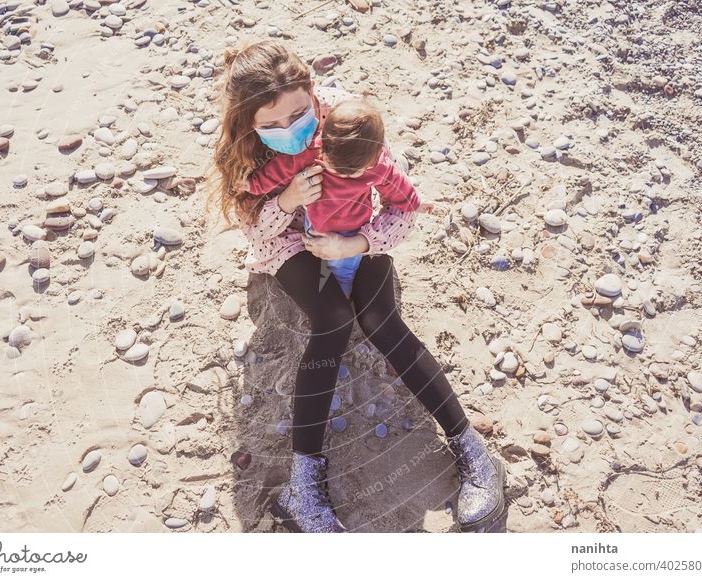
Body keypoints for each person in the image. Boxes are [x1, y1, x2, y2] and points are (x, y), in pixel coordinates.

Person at [208, 38, 506, 533]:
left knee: (380, 320)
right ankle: (304, 485)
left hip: (355, 234)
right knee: (333, 320)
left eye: (299, 114)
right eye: (271, 125)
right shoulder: (246, 151)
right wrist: (285, 202)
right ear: (248, 123)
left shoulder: (346, 123)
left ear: (313, 93)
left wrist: (359, 245)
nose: (289, 131)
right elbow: (257, 234)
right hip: (291, 244)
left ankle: (473, 448)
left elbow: (400, 206)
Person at [241, 97, 421, 298]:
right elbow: (280, 169)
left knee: (342, 271)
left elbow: (399, 187)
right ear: (324, 144)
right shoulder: (313, 150)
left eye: (352, 173)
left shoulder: (377, 167)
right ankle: (322, 279)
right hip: (314, 224)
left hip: (350, 232)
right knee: (318, 258)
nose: (342, 175)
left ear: (371, 162)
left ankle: (342, 293)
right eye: (333, 166)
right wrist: (253, 184)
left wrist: (416, 203)